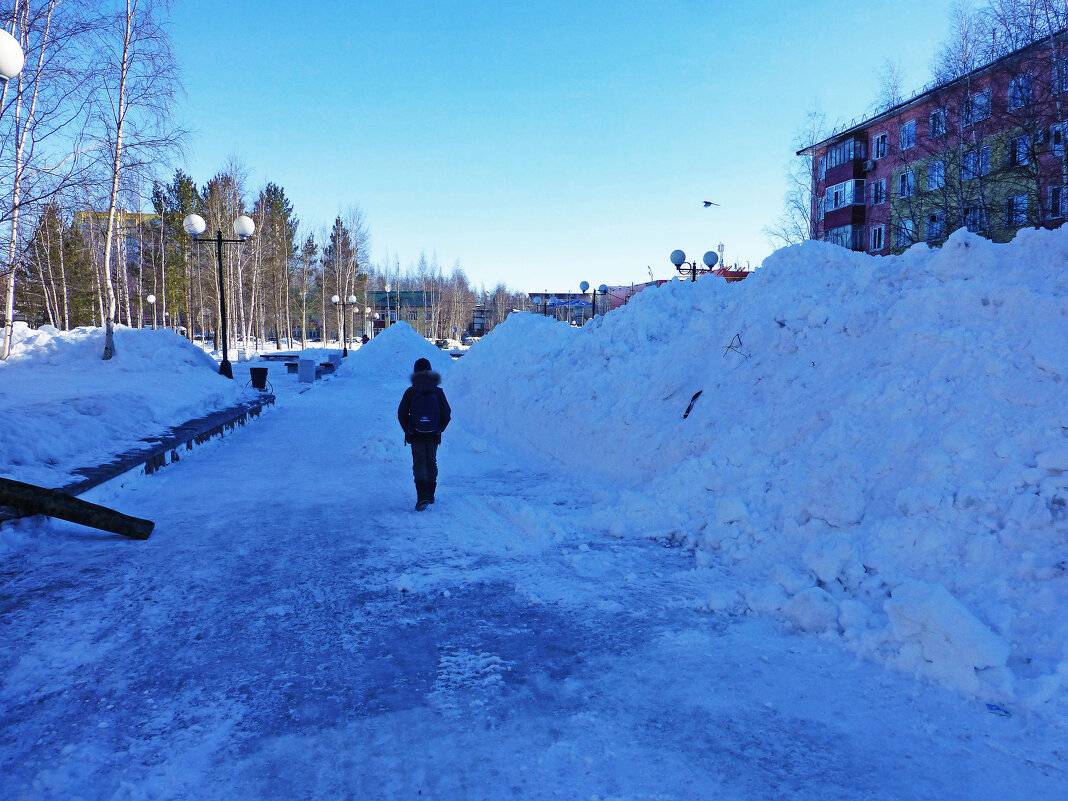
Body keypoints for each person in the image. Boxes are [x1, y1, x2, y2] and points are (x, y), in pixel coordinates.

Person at [397, 357, 451, 511]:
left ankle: (422, 496)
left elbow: (401, 413)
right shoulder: (438, 391)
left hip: (416, 435)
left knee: (419, 463)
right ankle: (431, 494)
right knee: (431, 462)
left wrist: (408, 430)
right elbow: (447, 413)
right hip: (433, 434)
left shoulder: (411, 392)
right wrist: (440, 428)